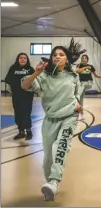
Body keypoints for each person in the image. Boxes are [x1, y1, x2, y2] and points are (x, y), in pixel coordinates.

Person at [21, 44, 82, 201]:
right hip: (50, 119)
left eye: (61, 54)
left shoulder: (73, 75)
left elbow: (76, 93)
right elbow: (24, 85)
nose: (57, 56)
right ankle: (50, 186)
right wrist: (36, 73)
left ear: (66, 58)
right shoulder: (44, 76)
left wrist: (77, 102)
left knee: (59, 148)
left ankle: (54, 182)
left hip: (69, 117)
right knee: (48, 156)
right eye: (54, 54)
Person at [5, 53, 35, 140]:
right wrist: (17, 84)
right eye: (21, 58)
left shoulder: (30, 69)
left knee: (26, 113)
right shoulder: (13, 68)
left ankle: (29, 131)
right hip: (17, 95)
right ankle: (21, 131)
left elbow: (35, 80)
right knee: (18, 112)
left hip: (27, 95)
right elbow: (8, 79)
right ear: (18, 59)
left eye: (24, 58)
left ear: (27, 60)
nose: (22, 59)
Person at [76, 54, 101, 120]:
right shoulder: (79, 65)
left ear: (87, 60)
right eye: (83, 58)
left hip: (88, 83)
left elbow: (95, 75)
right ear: (81, 59)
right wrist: (85, 67)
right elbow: (77, 71)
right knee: (81, 99)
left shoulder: (91, 66)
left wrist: (100, 76)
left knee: (77, 97)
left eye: (85, 58)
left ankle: (76, 100)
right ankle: (81, 115)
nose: (84, 59)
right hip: (81, 83)